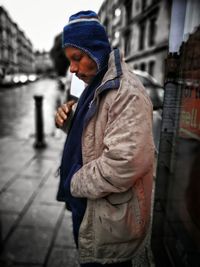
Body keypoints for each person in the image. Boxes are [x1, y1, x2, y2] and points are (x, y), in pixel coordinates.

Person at [55, 10, 155, 267]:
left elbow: (126, 162)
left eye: (77, 58)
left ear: (96, 50)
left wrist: (74, 181)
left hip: (109, 220)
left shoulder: (127, 93)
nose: (72, 69)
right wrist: (68, 121)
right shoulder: (96, 83)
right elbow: (93, 133)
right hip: (91, 209)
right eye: (70, 60)